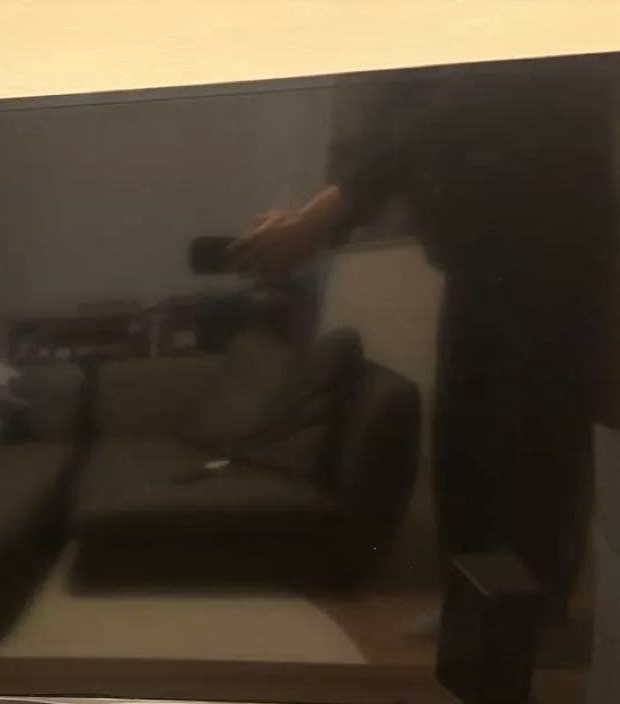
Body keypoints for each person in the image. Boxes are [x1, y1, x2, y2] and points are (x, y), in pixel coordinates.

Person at [229, 65, 617, 606]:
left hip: (554, 267)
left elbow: (444, 117)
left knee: (531, 466)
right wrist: (316, 221)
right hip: (480, 268)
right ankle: (471, 613)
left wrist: (316, 221)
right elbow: (407, 130)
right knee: (465, 462)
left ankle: (525, 626)